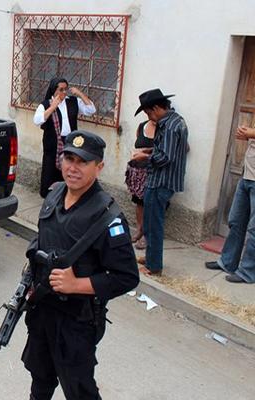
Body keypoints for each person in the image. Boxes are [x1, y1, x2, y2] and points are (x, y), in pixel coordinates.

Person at [23, 130, 139, 400]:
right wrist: (31, 282)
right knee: (40, 378)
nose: (72, 168)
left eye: (82, 162)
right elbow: (43, 242)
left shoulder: (108, 217)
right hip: (42, 310)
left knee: (79, 389)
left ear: (99, 167)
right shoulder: (54, 194)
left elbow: (127, 277)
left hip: (76, 320)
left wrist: (77, 284)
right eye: (69, 158)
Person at [132, 89, 189, 276]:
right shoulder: (174, 120)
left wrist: (143, 158)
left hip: (161, 181)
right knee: (149, 222)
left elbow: (165, 157)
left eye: (148, 112)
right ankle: (150, 257)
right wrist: (148, 151)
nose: (149, 116)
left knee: (153, 224)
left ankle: (153, 266)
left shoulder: (170, 126)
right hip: (159, 180)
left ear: (156, 108)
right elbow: (162, 149)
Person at [205, 125, 255, 283]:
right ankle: (227, 262)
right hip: (247, 175)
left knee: (254, 230)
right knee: (236, 221)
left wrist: (251, 133)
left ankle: (247, 272)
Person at [33, 78, 96, 198]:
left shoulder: (72, 101)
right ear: (53, 90)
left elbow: (91, 110)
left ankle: (66, 196)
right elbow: (37, 120)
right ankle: (49, 198)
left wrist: (79, 93)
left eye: (65, 89)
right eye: (60, 89)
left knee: (68, 169)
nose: (64, 92)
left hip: (70, 142)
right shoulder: (46, 104)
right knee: (50, 171)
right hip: (53, 143)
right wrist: (52, 107)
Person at [125, 119, 157, 250]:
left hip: (152, 172)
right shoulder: (142, 126)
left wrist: (145, 153)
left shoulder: (164, 129)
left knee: (150, 203)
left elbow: (165, 151)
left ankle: (147, 235)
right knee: (139, 202)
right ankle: (139, 230)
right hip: (138, 172)